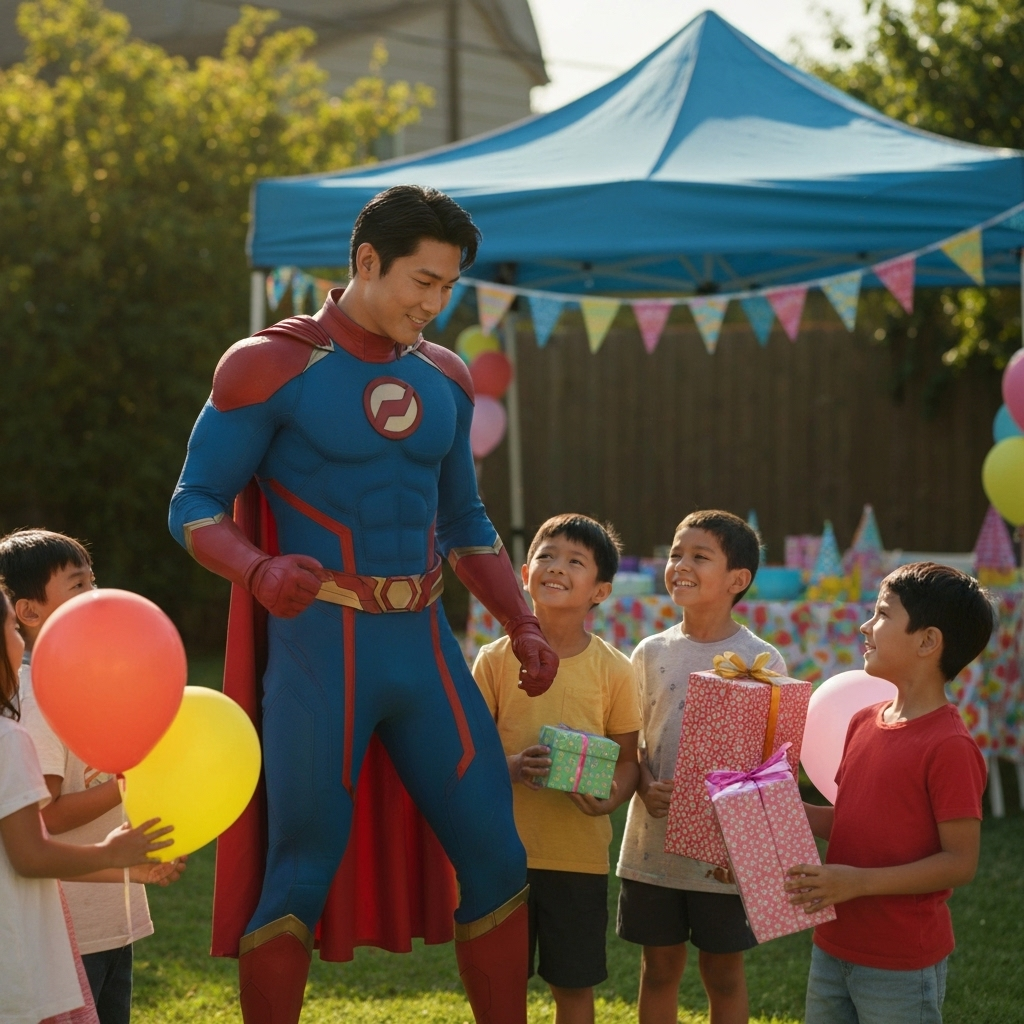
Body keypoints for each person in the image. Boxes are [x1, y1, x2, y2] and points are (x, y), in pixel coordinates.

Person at [168, 184, 559, 1024]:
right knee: (299, 869)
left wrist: (520, 619)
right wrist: (258, 569)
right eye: (421, 281)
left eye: (448, 287)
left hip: (422, 646)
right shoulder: (269, 363)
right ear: (366, 262)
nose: (433, 302)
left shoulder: (446, 378)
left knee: (497, 858)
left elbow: (465, 522)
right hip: (321, 651)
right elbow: (194, 505)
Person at [786, 563, 992, 1024]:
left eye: (881, 614)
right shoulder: (862, 721)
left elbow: (960, 862)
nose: (865, 626)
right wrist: (789, 809)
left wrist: (857, 883)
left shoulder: (950, 747)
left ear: (927, 641)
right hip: (833, 943)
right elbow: (854, 821)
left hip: (901, 961)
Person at [0, 529, 186, 1024]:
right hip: (69, 931)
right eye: (77, 586)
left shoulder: (90, 678)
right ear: (28, 612)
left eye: (93, 581)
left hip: (110, 913)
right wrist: (127, 782)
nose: (96, 596)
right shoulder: (35, 700)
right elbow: (46, 821)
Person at [615, 510, 785, 1024]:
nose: (679, 565)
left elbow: (773, 758)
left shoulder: (761, 660)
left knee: (723, 972)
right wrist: (644, 784)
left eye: (698, 556)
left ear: (738, 580)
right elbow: (633, 743)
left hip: (725, 851)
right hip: (654, 844)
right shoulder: (650, 652)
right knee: (659, 968)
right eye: (674, 553)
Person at [472, 514, 640, 1024]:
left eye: (575, 561)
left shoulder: (615, 669)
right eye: (546, 556)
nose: (556, 567)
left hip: (578, 859)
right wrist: (515, 766)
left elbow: (630, 760)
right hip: (502, 854)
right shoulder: (494, 660)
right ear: (524, 573)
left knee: (573, 986)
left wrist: (611, 797)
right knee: (500, 983)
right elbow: (468, 756)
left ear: (601, 590)